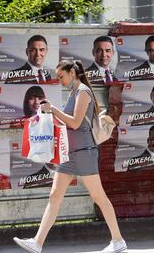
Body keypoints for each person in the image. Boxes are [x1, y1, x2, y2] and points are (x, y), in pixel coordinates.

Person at [13, 60, 126, 253]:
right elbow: (65, 123)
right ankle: (37, 243)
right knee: (55, 195)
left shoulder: (83, 92)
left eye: (61, 76)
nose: (60, 81)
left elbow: (74, 123)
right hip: (70, 154)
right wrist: (47, 113)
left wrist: (54, 109)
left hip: (84, 153)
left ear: (72, 73)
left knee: (98, 197)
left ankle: (118, 240)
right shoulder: (74, 93)